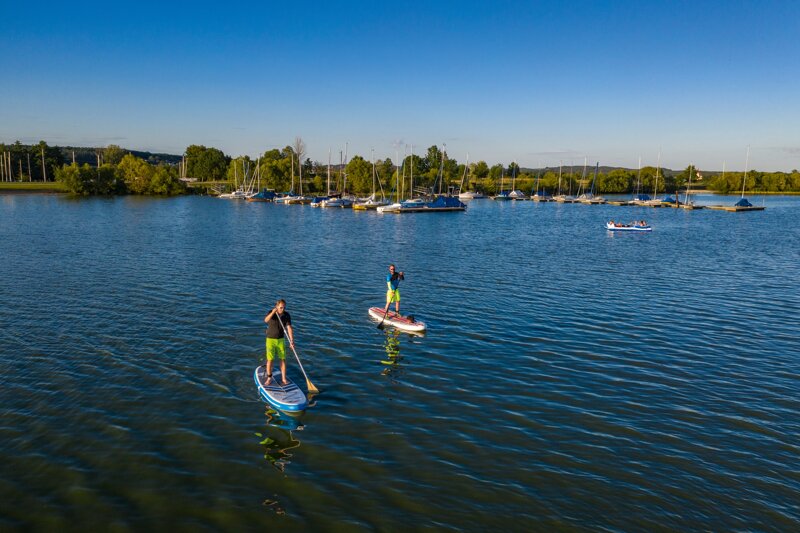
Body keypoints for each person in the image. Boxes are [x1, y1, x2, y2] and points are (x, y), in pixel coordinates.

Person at [263, 299, 294, 386]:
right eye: (280, 308)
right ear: (277, 306)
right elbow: (266, 320)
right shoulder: (271, 312)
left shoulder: (286, 315)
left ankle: (283, 379)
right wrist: (273, 312)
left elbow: (289, 328)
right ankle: (269, 378)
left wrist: (291, 341)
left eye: (284, 308)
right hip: (270, 340)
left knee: (283, 360)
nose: (282, 309)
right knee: (270, 360)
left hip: (281, 340)